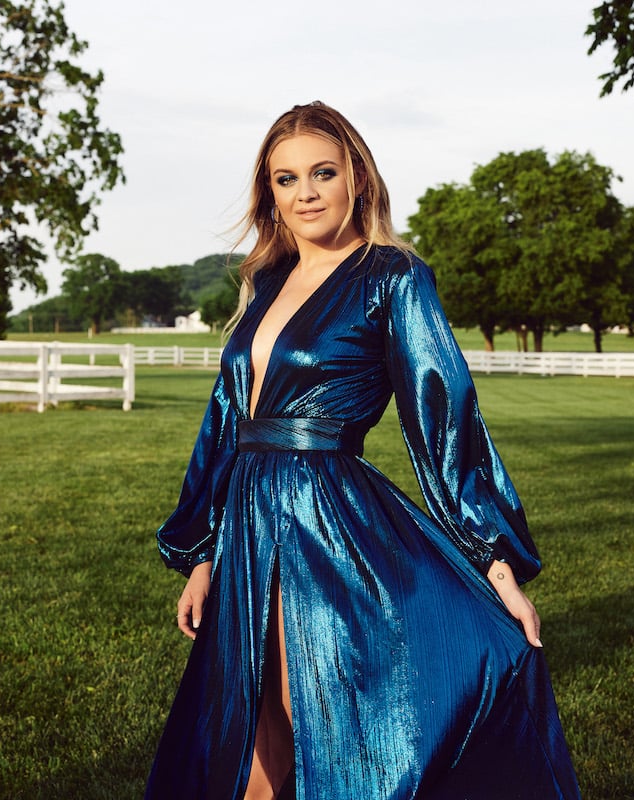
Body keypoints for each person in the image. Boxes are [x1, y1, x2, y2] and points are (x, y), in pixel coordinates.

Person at [145, 101, 582, 800]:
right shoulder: (265, 282)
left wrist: (496, 566)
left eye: (323, 172)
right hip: (251, 526)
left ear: (358, 178)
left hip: (324, 521)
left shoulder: (393, 277)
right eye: (286, 179)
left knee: (313, 722)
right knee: (250, 734)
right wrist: (200, 553)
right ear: (271, 194)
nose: (306, 193)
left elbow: (443, 415)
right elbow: (225, 421)